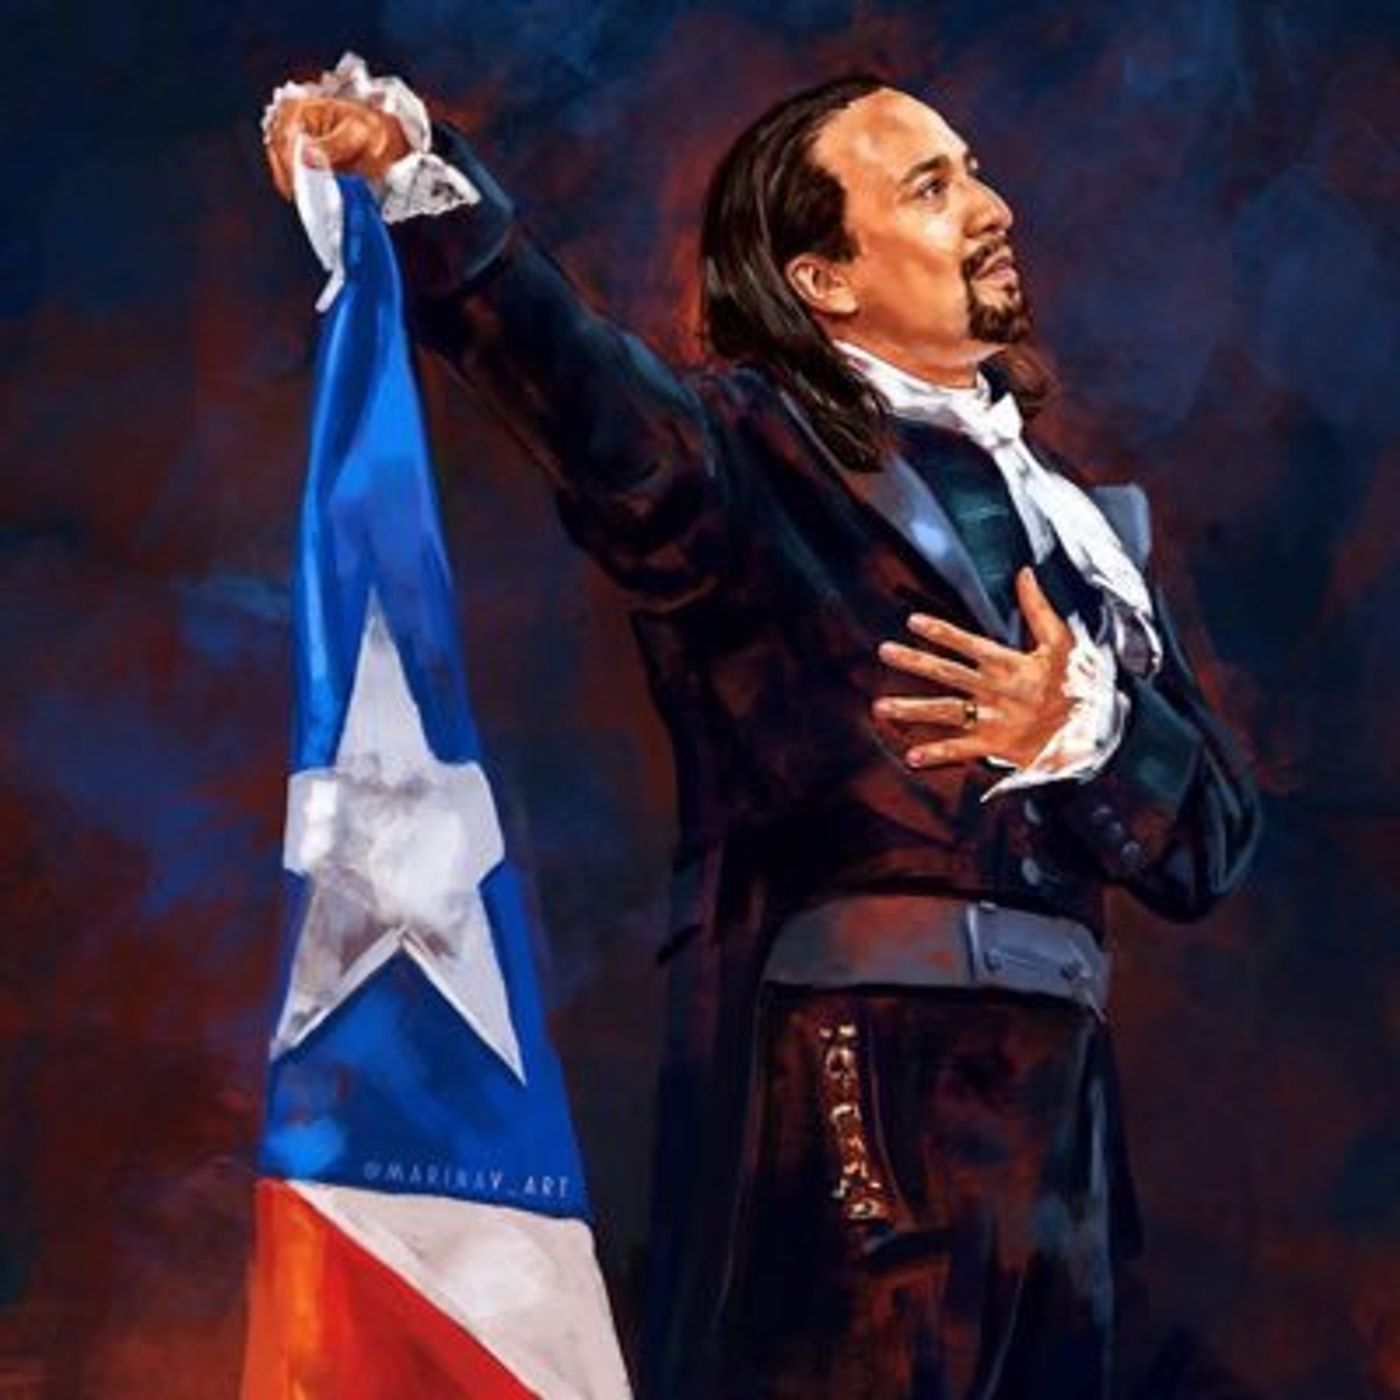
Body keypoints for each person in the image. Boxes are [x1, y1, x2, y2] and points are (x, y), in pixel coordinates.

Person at [264, 57, 1261, 1399]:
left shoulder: (1082, 522)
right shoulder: (741, 455)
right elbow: (573, 377)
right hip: (854, 1099)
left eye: (973, 173)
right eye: (932, 188)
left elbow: (1209, 847)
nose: (992, 208)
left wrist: (1089, 732)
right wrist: (413, 180)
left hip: (1065, 1137)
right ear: (823, 279)